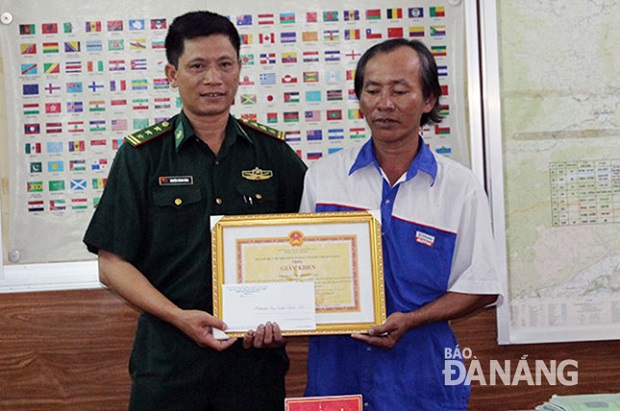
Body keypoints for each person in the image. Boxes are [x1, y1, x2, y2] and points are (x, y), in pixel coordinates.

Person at [83, 11, 307, 411]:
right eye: (197, 66)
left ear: (240, 69)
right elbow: (111, 263)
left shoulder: (274, 154)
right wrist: (177, 316)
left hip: (254, 368)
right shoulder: (143, 157)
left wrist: (286, 318)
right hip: (169, 367)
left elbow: (309, 245)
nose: (213, 79)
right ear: (173, 74)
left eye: (225, 64)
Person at [299, 38, 502, 410]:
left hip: (423, 378)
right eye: (372, 90)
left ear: (428, 101)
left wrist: (411, 320)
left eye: (400, 90)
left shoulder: (459, 187)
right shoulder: (324, 177)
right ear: (359, 99)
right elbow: (301, 272)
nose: (384, 104)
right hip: (336, 374)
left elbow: (481, 286)